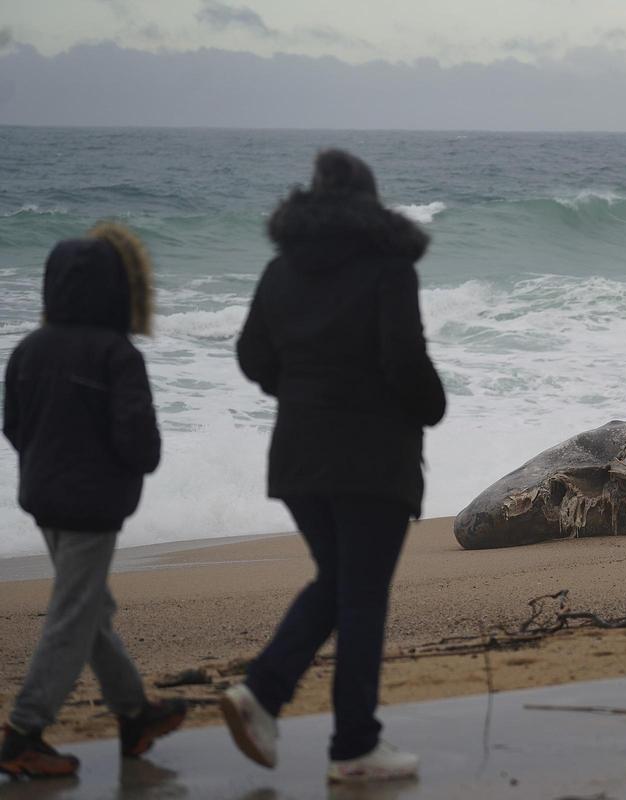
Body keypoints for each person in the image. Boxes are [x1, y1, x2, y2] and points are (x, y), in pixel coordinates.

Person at [222, 149, 446, 784]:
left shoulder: (279, 271)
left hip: (298, 453)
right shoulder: (388, 268)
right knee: (361, 596)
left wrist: (301, 396)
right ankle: (353, 745)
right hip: (373, 459)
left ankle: (263, 694)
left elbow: (249, 355)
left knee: (341, 584)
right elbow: (403, 357)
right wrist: (431, 407)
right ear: (370, 205)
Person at [0, 224, 187, 779]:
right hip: (94, 506)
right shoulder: (116, 354)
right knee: (73, 614)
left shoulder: (28, 349)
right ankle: (25, 733)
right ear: (116, 290)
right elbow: (141, 447)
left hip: (44, 498)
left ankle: (134, 714)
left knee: (90, 609)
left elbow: (13, 427)